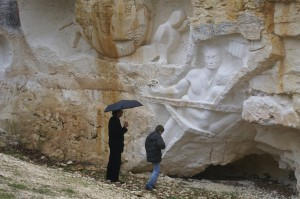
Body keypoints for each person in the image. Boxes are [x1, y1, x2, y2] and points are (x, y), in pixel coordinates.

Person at [106, 109, 128, 182]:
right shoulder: (114, 120)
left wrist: (123, 128)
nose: (122, 113)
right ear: (117, 112)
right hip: (115, 145)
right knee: (115, 161)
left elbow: (117, 132)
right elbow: (117, 133)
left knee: (113, 160)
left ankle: (110, 177)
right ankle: (113, 178)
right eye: (121, 112)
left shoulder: (114, 120)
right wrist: (124, 127)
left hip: (114, 144)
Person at [145, 125, 166, 191]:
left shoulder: (151, 135)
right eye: (162, 132)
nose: (161, 133)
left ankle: (152, 184)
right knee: (156, 171)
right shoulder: (158, 136)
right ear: (160, 131)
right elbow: (162, 145)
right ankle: (149, 184)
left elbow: (146, 144)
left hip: (151, 154)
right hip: (155, 155)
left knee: (155, 169)